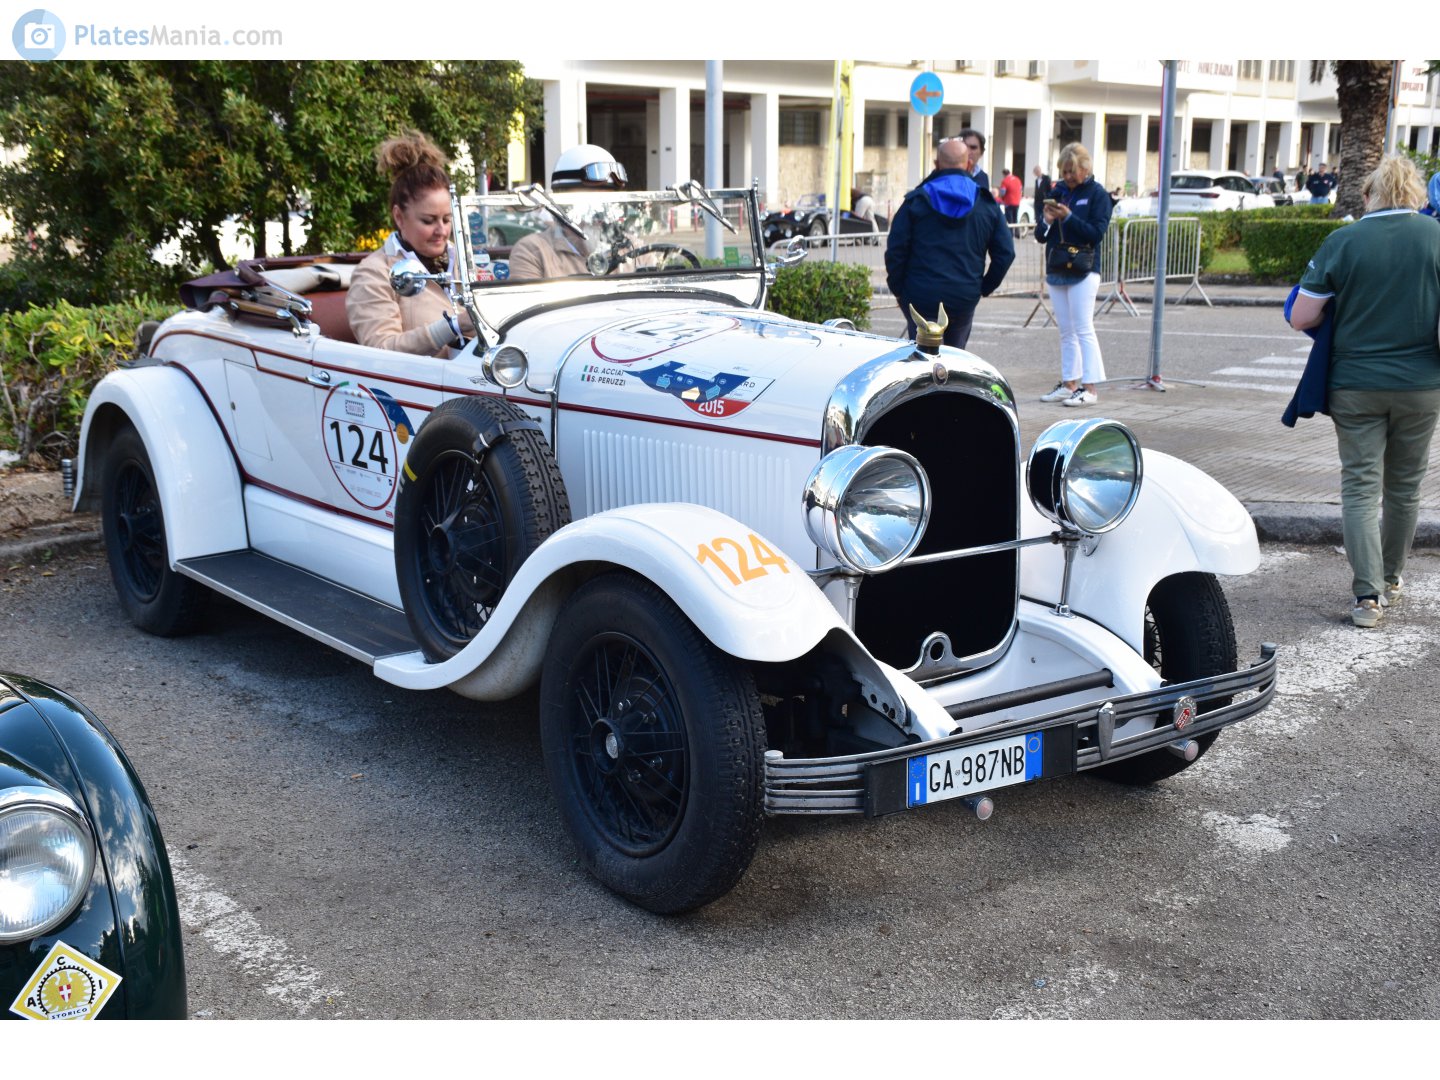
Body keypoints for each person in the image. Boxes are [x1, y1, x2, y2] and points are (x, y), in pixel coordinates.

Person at [1287, 155, 1440, 628]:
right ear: (1415, 194)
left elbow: (1302, 316)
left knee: (1359, 486)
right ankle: (1392, 580)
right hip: (1421, 383)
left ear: (1370, 194)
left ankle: (1367, 596)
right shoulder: (1436, 238)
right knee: (1405, 488)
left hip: (1355, 383)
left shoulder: (1344, 240)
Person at [346, 131, 474, 357]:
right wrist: (453, 326)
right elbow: (380, 350)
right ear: (399, 217)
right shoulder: (375, 272)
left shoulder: (466, 261)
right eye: (428, 220)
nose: (442, 231)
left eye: (447, 219)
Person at [884, 136, 1014, 350]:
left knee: (921, 360)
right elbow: (1006, 253)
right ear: (969, 164)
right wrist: (982, 288)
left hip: (919, 295)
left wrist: (899, 290)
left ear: (936, 164)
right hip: (963, 295)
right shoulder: (985, 204)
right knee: (956, 358)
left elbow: (895, 251)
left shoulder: (916, 201)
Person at [1035, 142, 1112, 408]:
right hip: (1057, 268)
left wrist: (1068, 217)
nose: (1067, 177)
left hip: (1084, 267)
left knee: (1083, 328)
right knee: (1066, 331)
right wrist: (1046, 220)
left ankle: (1090, 388)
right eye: (1064, 172)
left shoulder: (1097, 194)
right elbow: (1039, 236)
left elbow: (1095, 233)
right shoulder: (1057, 192)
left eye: (1071, 171)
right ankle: (1070, 383)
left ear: (1085, 168)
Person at [508, 144, 629, 280]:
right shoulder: (532, 251)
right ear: (564, 205)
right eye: (591, 203)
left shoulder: (633, 249)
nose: (602, 214)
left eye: (608, 202)